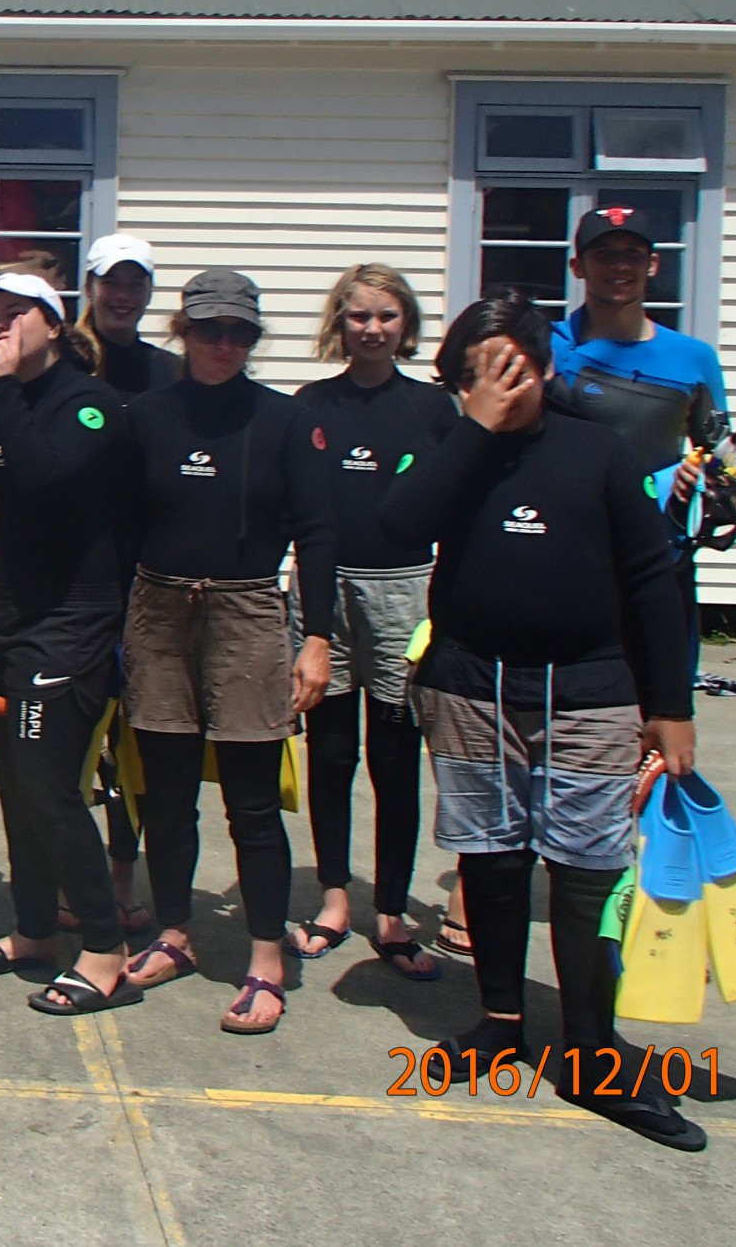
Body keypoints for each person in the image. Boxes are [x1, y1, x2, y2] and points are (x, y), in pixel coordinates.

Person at [381, 290, 703, 1151]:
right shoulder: (455, 448)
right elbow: (400, 527)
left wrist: (670, 705)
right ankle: (499, 1023)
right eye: (476, 370)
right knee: (488, 855)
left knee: (586, 866)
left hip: (591, 691)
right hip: (471, 686)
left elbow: (651, 583)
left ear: (546, 365)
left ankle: (594, 1050)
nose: (496, 382)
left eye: (511, 366)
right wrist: (478, 426)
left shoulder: (598, 451)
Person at [115, 268, 334, 1035]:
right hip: (158, 606)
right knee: (167, 795)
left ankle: (266, 959)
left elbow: (317, 535)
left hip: (247, 609)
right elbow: (115, 528)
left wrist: (315, 638)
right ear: (183, 332)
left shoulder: (284, 420)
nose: (223, 345)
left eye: (240, 332)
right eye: (209, 330)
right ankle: (174, 932)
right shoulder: (146, 416)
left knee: (251, 800)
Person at [0, 273, 134, 1014]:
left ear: (52, 326)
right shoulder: (0, 405)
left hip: (69, 627)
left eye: (11, 316)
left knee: (51, 791)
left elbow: (46, 480)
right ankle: (33, 931)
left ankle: (106, 948)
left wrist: (10, 389)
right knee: (18, 790)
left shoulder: (91, 407)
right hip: (5, 624)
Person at [288, 265, 455, 979]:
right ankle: (333, 897)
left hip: (404, 592)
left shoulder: (434, 408)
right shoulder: (311, 404)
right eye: (359, 316)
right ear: (339, 323)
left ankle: (389, 911)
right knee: (330, 753)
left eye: (387, 316)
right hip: (326, 590)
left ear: (406, 325)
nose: (373, 329)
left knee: (394, 758)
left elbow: (458, 507)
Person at [548, 207, 729, 669]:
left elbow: (722, 458)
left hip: (657, 560)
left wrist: (706, 484)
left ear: (653, 265)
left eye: (633, 254)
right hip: (561, 553)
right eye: (604, 254)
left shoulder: (693, 358)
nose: (619, 267)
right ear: (577, 267)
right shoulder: (544, 347)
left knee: (658, 709)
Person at [77, 231, 183, 934]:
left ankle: (120, 876)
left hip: (146, 580)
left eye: (135, 284)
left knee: (131, 746)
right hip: (71, 577)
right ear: (90, 286)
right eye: (111, 282)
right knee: (67, 745)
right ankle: (69, 878)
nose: (122, 295)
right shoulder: (63, 359)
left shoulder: (168, 374)